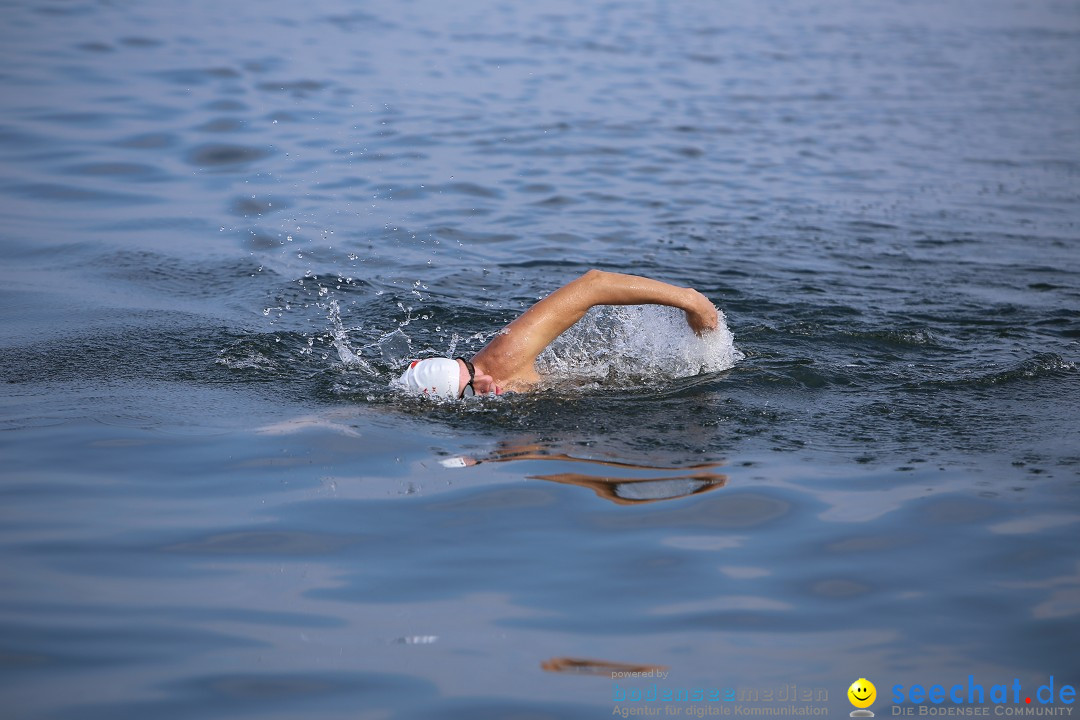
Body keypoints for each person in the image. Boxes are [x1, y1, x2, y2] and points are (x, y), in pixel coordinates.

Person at [393, 269, 719, 398]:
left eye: (471, 374)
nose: (485, 385)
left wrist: (691, 302)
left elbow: (595, 284)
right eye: (471, 392)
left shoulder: (503, 358)